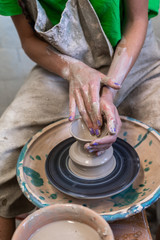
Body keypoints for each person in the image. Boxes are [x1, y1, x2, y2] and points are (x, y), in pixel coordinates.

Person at [0, 0, 160, 239]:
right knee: (2, 156)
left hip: (133, 58)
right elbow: (28, 41)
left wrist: (109, 92)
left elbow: (137, 21)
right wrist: (72, 69)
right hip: (63, 65)